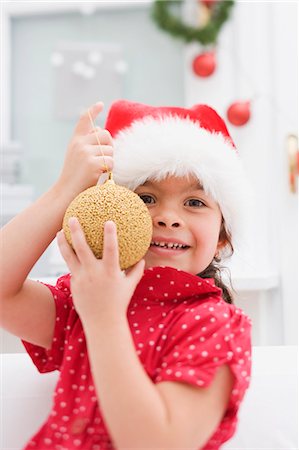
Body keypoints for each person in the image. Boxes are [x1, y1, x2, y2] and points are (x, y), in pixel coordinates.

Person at [0, 99, 252, 450]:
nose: (167, 217)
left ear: (223, 237)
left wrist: (103, 317)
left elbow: (158, 444)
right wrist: (65, 190)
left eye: (194, 202)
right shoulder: (82, 299)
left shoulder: (211, 324)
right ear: (114, 210)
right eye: (146, 198)